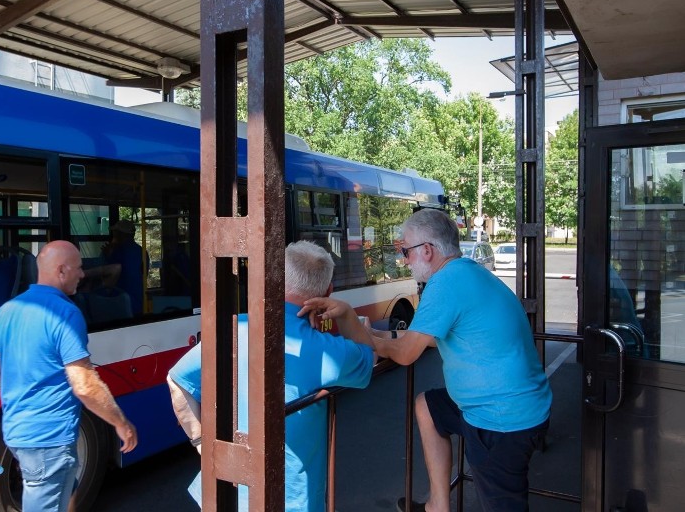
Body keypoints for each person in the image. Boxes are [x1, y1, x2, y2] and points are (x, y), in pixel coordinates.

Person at [313, 208, 551, 512]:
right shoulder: (467, 271)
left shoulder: (445, 284)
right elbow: (414, 339)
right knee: (428, 406)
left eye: (405, 251)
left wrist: (355, 326)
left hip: (501, 421)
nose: (403, 259)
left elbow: (406, 353)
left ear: (427, 250)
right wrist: (374, 336)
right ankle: (438, 504)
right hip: (518, 406)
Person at [167, 239, 376, 511]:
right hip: (291, 500)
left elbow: (177, 380)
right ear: (327, 292)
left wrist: (201, 443)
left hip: (222, 491)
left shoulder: (232, 329)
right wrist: (346, 313)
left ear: (274, 279)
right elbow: (369, 357)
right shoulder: (326, 350)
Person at [0, 240, 138, 512]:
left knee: (67, 492)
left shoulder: (4, 312)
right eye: (79, 268)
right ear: (62, 271)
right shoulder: (65, 313)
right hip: (48, 439)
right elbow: (84, 384)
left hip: (16, 435)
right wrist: (121, 423)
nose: (83, 275)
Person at [99, 219, 147, 316]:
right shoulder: (142, 251)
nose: (113, 235)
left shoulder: (117, 252)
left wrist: (107, 255)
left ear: (122, 235)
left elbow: (105, 274)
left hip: (118, 302)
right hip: (138, 303)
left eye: (115, 233)